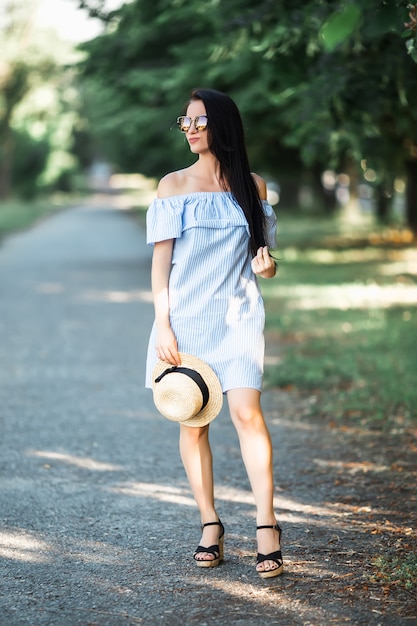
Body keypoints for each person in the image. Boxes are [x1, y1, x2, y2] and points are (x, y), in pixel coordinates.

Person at [145, 88, 283, 578]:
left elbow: (263, 264)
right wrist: (162, 322)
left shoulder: (252, 186)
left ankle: (267, 525)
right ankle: (210, 524)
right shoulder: (172, 186)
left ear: (223, 125)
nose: (191, 129)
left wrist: (267, 269)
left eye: (200, 121)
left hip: (240, 316)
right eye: (185, 122)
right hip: (186, 320)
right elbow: (161, 265)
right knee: (194, 421)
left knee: (247, 413)